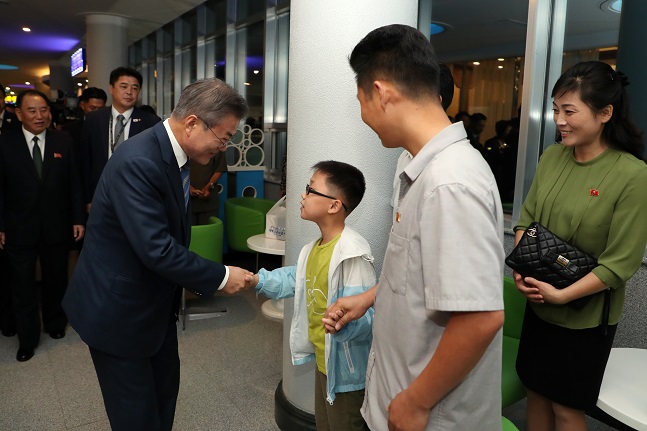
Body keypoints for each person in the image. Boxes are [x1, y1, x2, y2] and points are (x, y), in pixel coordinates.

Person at [323, 24, 504, 430]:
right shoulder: (419, 166)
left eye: (360, 100)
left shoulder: (450, 183)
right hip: (399, 388)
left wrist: (417, 402)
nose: (363, 114)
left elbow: (480, 318)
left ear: (382, 93)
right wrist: (372, 296)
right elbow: (422, 271)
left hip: (429, 412)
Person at [62, 78, 254, 431]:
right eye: (223, 137)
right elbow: (157, 248)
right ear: (193, 122)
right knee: (136, 415)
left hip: (152, 307)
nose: (223, 147)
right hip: (118, 312)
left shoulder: (172, 156)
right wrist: (222, 276)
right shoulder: (140, 160)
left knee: (163, 396)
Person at [512, 61, 647, 431]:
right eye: (556, 109)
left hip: (585, 318)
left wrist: (562, 295)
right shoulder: (552, 157)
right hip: (539, 304)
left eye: (569, 111)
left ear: (605, 113)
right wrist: (523, 272)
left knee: (567, 408)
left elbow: (620, 263)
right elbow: (526, 221)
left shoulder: (632, 175)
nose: (559, 120)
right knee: (535, 393)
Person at [252, 160, 375, 431]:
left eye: (311, 189)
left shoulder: (352, 254)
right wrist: (257, 279)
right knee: (325, 425)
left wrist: (343, 322)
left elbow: (367, 315)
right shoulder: (314, 248)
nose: (303, 195)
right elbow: (294, 279)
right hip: (324, 359)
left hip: (347, 369)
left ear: (334, 205)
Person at [0, 90, 85, 362]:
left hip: (57, 226)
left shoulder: (64, 140)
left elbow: (75, 183)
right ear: (19, 113)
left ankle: (54, 323)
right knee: (22, 285)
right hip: (18, 228)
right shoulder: (5, 143)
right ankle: (27, 339)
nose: (40, 116)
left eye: (44, 110)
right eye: (33, 111)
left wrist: (77, 219)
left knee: (56, 278)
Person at [80, 67, 160, 212]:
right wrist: (88, 199)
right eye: (124, 86)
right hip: (100, 194)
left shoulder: (151, 122)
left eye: (134, 88)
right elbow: (85, 162)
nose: (129, 92)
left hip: (138, 196)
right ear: (111, 88)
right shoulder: (94, 119)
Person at [189, 144, 227, 225]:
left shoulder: (218, 143)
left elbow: (219, 170)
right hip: (187, 202)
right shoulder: (187, 142)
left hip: (209, 202)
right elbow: (178, 168)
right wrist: (188, 187)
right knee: (189, 235)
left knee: (208, 234)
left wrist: (207, 187)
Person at [483, 119, 515, 202]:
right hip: (496, 173)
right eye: (507, 131)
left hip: (506, 175)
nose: (508, 133)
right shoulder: (491, 142)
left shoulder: (510, 143)